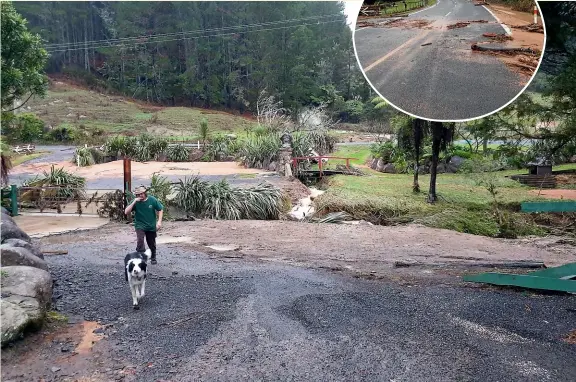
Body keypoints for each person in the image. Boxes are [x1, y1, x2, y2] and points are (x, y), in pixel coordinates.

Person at [124, 185, 163, 265]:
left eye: (142, 193)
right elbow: (126, 212)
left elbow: (160, 209)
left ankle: (153, 257)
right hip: (140, 225)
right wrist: (134, 201)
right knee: (140, 241)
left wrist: (159, 222)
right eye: (138, 194)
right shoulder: (136, 202)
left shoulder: (152, 200)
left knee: (151, 242)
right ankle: (141, 256)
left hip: (151, 225)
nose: (140, 196)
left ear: (145, 193)